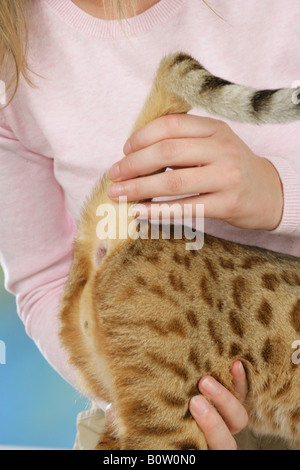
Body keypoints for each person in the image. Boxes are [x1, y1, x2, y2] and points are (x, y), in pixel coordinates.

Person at [0, 0, 299, 450]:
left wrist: (280, 193)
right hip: (152, 398)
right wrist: (144, 394)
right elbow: (44, 278)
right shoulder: (13, 49)